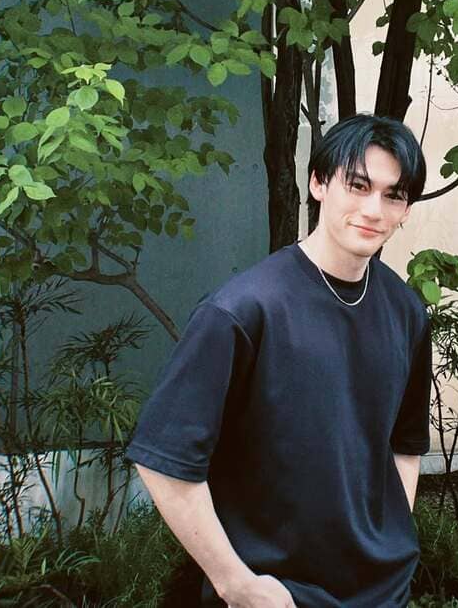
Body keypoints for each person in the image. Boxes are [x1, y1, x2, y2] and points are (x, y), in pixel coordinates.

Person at [126, 113, 432, 607]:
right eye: (357, 185)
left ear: (406, 209)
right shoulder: (243, 310)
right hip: (276, 595)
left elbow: (405, 445)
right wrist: (236, 584)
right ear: (318, 183)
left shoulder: (406, 311)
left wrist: (388, 541)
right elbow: (164, 461)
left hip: (381, 594)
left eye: (393, 195)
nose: (373, 209)